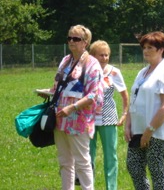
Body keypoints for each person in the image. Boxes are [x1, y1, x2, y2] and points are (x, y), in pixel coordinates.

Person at [125, 31, 164, 190]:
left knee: (157, 171)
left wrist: (149, 131)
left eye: (150, 47)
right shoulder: (142, 72)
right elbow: (133, 99)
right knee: (133, 166)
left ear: (161, 49)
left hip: (155, 131)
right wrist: (128, 125)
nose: (146, 50)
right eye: (144, 47)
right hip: (137, 129)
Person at [50, 25, 104, 190]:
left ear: (85, 42)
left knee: (82, 162)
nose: (71, 41)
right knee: (65, 162)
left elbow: (95, 95)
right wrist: (49, 93)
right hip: (60, 119)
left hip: (79, 121)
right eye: (69, 38)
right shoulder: (65, 61)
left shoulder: (92, 64)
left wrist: (72, 108)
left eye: (76, 39)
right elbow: (59, 86)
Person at [88, 40, 129, 190]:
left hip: (109, 118)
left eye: (107, 55)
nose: (104, 58)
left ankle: (111, 187)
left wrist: (124, 113)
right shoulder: (87, 70)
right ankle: (88, 186)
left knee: (110, 156)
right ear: (93, 56)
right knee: (87, 156)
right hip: (88, 119)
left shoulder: (114, 72)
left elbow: (125, 95)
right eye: (101, 55)